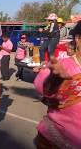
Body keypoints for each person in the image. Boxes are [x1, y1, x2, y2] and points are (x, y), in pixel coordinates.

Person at [33, 20, 81, 148]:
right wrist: (53, 81)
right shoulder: (62, 66)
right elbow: (42, 89)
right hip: (54, 141)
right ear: (78, 39)